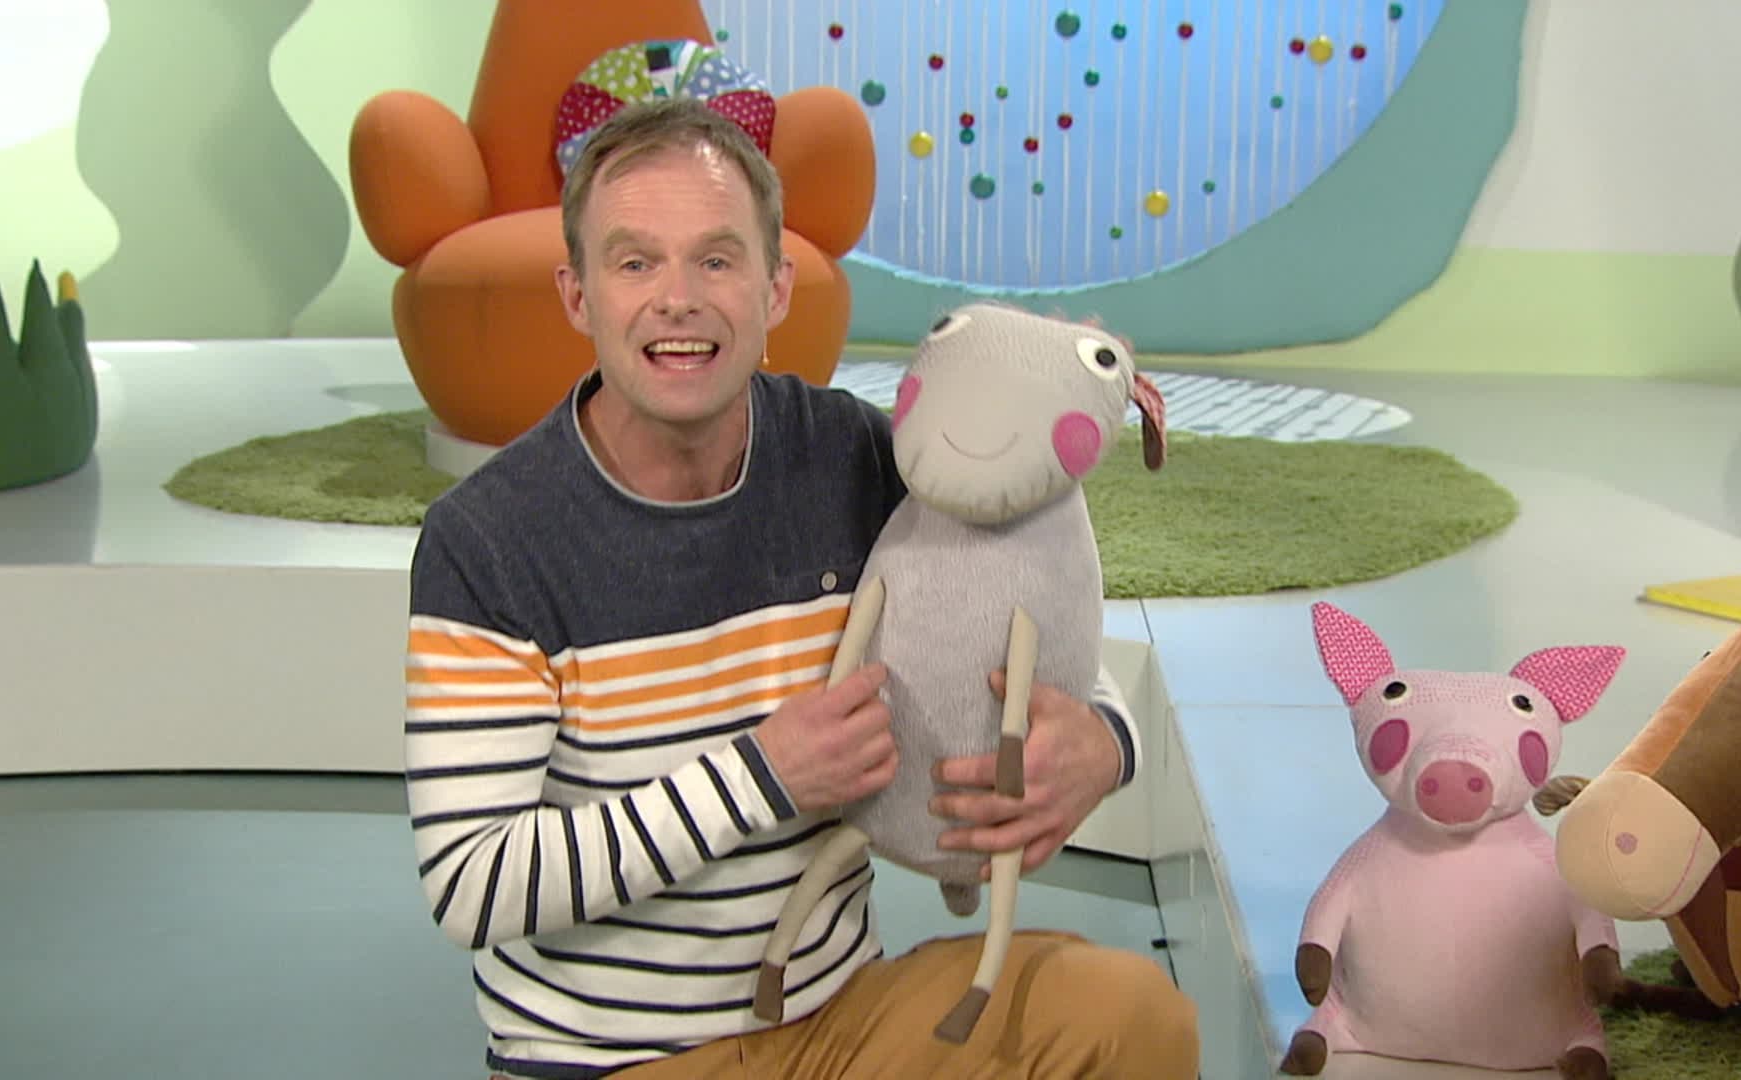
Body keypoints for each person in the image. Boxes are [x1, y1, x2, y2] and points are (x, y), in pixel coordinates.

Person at [402, 96, 1200, 1079]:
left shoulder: (851, 454)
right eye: (635, 262)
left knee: (1127, 1016)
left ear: (776, 287)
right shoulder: (488, 540)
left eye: (717, 259)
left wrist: (1103, 744)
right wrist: (763, 776)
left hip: (839, 1021)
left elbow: (1030, 610)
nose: (678, 299)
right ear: (579, 296)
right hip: (612, 1062)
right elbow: (472, 885)